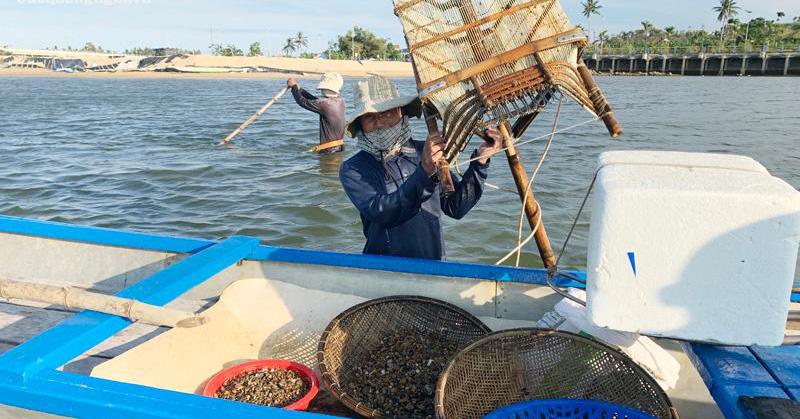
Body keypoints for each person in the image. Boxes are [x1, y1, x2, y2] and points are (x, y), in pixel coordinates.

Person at [339, 76, 502, 260]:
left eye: (388, 113)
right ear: (360, 124)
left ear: (402, 113)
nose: (381, 122)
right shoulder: (354, 168)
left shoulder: (422, 152)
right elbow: (384, 213)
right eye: (370, 117)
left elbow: (456, 207)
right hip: (382, 269)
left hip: (433, 264)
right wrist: (425, 172)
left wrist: (479, 163)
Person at [287, 73, 346, 154]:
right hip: (339, 148)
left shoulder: (324, 103)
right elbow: (314, 100)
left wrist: (293, 87)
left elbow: (302, 101)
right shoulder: (340, 101)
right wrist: (299, 89)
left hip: (329, 151)